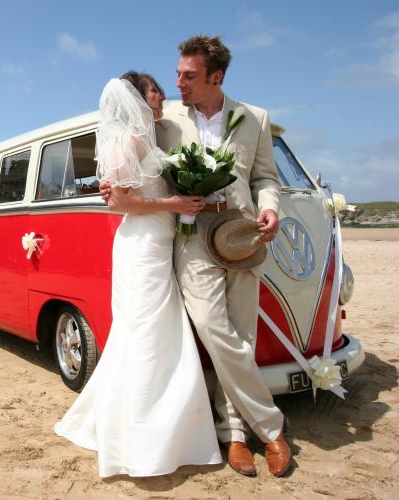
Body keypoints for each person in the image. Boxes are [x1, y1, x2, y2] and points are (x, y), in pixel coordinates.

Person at [54, 72, 222, 477]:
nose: (160, 107)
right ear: (135, 101)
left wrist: (187, 202)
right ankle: (145, 439)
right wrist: (175, 201)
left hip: (161, 242)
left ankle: (160, 426)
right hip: (142, 247)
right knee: (150, 334)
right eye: (155, 100)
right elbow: (120, 203)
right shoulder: (125, 141)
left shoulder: (148, 140)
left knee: (155, 333)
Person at [155, 35, 291, 477]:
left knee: (242, 335)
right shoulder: (167, 118)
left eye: (189, 76)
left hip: (243, 234)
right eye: (178, 74)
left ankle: (234, 434)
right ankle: (271, 427)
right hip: (193, 235)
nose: (179, 82)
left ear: (217, 77)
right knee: (215, 330)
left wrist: (270, 208)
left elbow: (265, 178)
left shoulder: (255, 117)